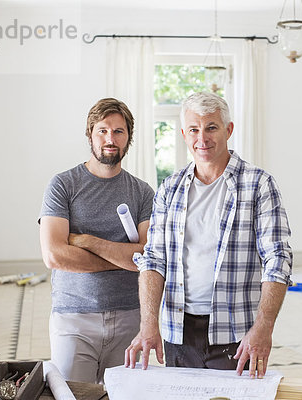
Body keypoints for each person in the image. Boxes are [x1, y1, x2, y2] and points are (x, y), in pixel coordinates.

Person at [124, 92, 292, 379]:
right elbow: (154, 259)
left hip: (237, 331)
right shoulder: (170, 187)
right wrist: (148, 324)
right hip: (179, 330)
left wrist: (264, 327)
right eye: (194, 129)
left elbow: (277, 259)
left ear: (228, 130)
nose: (202, 138)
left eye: (211, 127)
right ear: (184, 134)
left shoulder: (258, 184)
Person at [38, 98, 155, 384]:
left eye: (118, 131)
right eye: (102, 130)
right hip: (73, 318)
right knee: (72, 395)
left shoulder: (142, 192)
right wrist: (123, 260)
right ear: (90, 134)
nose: (110, 139)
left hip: (130, 318)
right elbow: (54, 256)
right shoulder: (63, 185)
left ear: (129, 137)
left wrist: (86, 241)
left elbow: (147, 258)